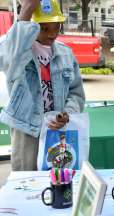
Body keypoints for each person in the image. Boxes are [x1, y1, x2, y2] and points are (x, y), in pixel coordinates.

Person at [0, 0, 85, 171]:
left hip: (58, 129)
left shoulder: (65, 53)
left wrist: (67, 114)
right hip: (26, 130)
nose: (52, 34)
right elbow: (7, 57)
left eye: (57, 27)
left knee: (60, 179)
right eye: (45, 28)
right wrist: (27, 10)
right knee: (27, 182)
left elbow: (76, 93)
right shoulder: (17, 50)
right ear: (31, 27)